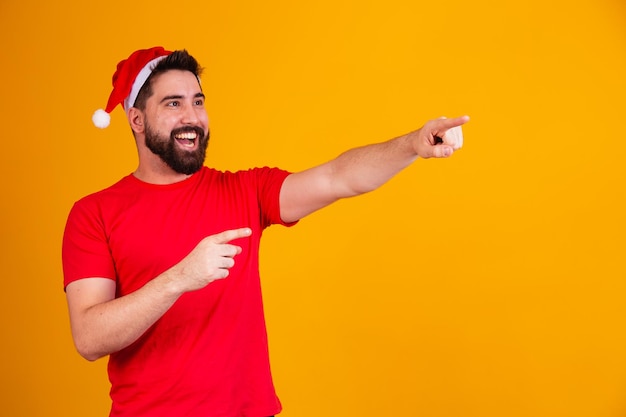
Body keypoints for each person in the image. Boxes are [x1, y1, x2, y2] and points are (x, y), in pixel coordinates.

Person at [62, 46, 469, 417]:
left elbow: (338, 179)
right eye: (173, 104)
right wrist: (179, 279)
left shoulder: (245, 191)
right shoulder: (94, 213)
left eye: (198, 102)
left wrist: (411, 145)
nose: (192, 117)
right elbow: (90, 338)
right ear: (136, 118)